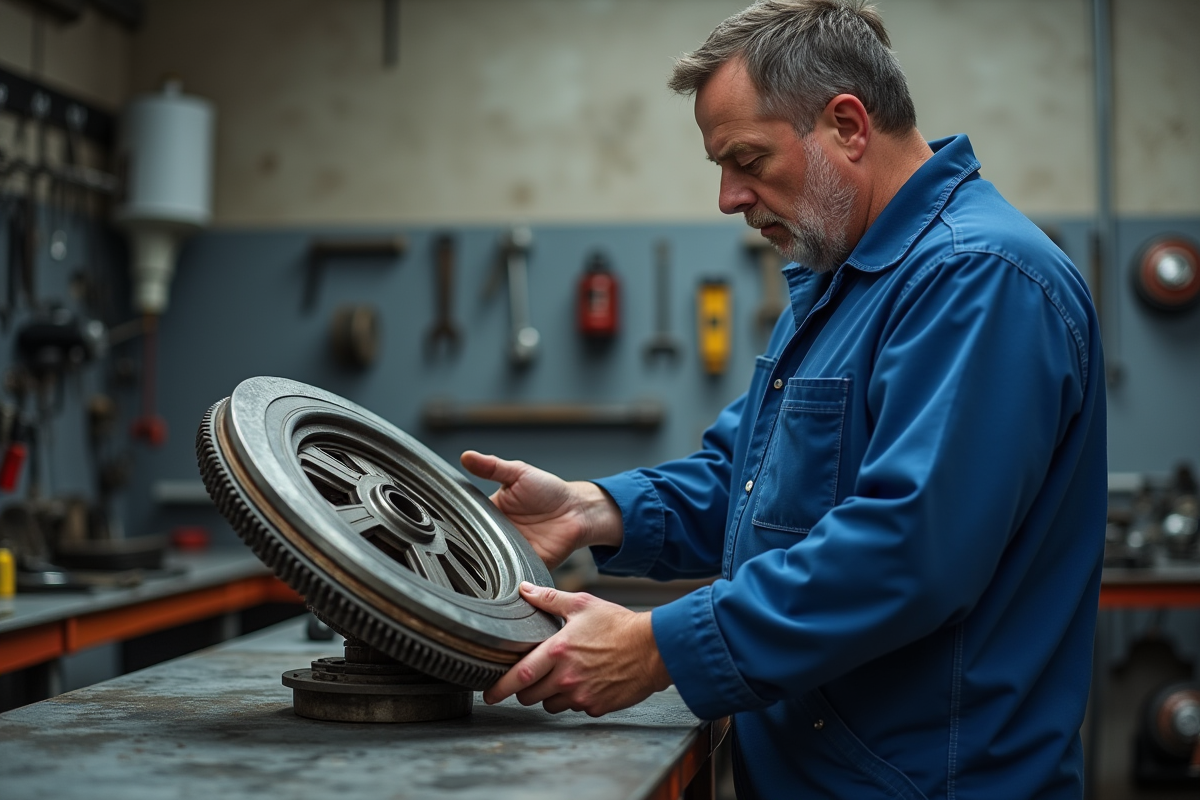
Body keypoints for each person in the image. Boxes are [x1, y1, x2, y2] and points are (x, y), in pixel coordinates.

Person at [461, 1, 1107, 797]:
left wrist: (660, 647)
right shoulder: (852, 281)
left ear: (846, 125)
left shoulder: (977, 278)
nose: (729, 198)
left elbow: (907, 551)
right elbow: (756, 479)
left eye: (747, 160)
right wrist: (596, 510)